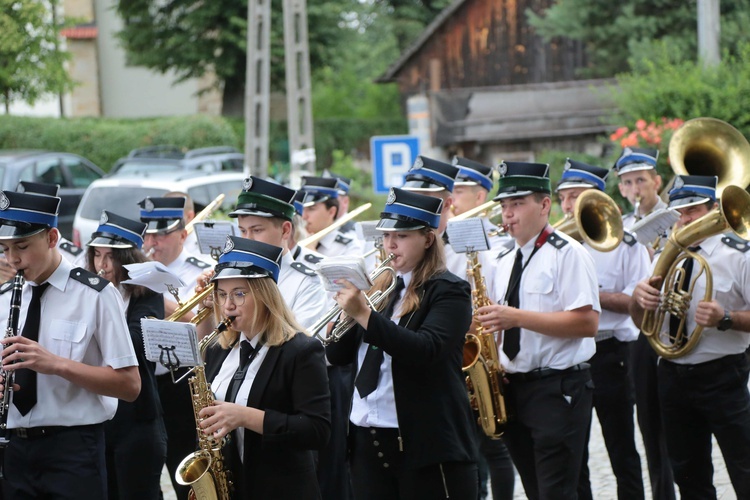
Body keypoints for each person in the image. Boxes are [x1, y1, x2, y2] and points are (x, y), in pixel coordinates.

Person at [326, 187, 479, 499]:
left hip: (423, 443)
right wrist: (344, 320)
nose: (390, 244)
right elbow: (338, 355)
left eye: (402, 235)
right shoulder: (381, 289)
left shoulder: (449, 291)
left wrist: (364, 315)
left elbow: (425, 350)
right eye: (386, 236)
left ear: (427, 238)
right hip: (366, 439)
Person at [0, 190, 140, 499]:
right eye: (4, 248)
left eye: (22, 246)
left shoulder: (96, 295)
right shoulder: (5, 296)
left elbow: (130, 386)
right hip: (12, 450)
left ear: (52, 238)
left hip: (72, 451)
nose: (12, 259)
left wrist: (56, 364)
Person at [475, 161, 600, 500]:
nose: (508, 215)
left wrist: (516, 318)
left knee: (554, 491)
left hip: (557, 388)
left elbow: (587, 324)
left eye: (517, 204)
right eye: (503, 206)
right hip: (515, 388)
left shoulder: (568, 253)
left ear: (545, 205)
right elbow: (499, 323)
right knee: (543, 490)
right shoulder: (504, 259)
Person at [630, 175, 750, 499]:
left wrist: (726, 318)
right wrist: (638, 300)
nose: (686, 220)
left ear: (714, 208)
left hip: (723, 374)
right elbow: (644, 324)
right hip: (672, 375)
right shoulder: (666, 255)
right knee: (688, 475)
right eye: (680, 212)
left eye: (694, 211)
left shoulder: (739, 254)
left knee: (745, 468)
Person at [199, 236, 331, 499]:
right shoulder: (219, 348)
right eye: (222, 294)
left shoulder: (301, 350)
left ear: (264, 295)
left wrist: (246, 417)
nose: (228, 306)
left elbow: (317, 431)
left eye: (239, 293)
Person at [556, 159, 649, 500]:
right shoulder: (557, 248)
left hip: (611, 352)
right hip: (570, 355)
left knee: (622, 450)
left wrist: (590, 296)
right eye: (563, 198)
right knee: (573, 456)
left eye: (575, 196)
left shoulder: (627, 243)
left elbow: (637, 302)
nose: (567, 206)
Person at [84, 210, 167, 500]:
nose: (102, 265)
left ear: (127, 259)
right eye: (97, 255)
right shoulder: (86, 293)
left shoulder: (147, 294)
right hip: (97, 419)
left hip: (137, 421)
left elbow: (133, 341)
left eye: (110, 257)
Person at [139, 195, 211, 500]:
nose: (153, 241)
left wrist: (166, 306)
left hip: (180, 382)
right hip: (142, 385)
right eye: (149, 233)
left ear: (183, 234)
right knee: (141, 480)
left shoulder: (202, 271)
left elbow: (211, 335)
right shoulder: (135, 270)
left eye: (162, 233)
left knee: (186, 474)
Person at [614, 147, 676, 500]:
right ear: (621, 189)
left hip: (677, 329)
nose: (636, 187)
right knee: (649, 422)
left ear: (656, 181)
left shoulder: (678, 216)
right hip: (642, 334)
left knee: (679, 423)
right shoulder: (619, 227)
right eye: (628, 182)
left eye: (641, 179)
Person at [299, 176, 364, 258]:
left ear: (331, 212)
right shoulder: (294, 240)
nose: (304, 216)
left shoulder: (349, 247)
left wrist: (312, 254)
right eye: (302, 209)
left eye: (311, 209)